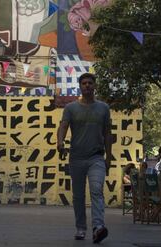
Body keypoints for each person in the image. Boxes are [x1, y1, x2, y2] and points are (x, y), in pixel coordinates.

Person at [57, 73, 111, 243]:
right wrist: (60, 142)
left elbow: (108, 133)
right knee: (78, 195)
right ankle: (81, 228)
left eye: (90, 83)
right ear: (80, 86)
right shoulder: (71, 108)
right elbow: (63, 125)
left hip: (96, 157)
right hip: (76, 158)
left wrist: (109, 156)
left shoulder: (104, 108)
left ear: (95, 86)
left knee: (96, 189)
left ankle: (98, 227)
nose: (87, 85)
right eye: (84, 83)